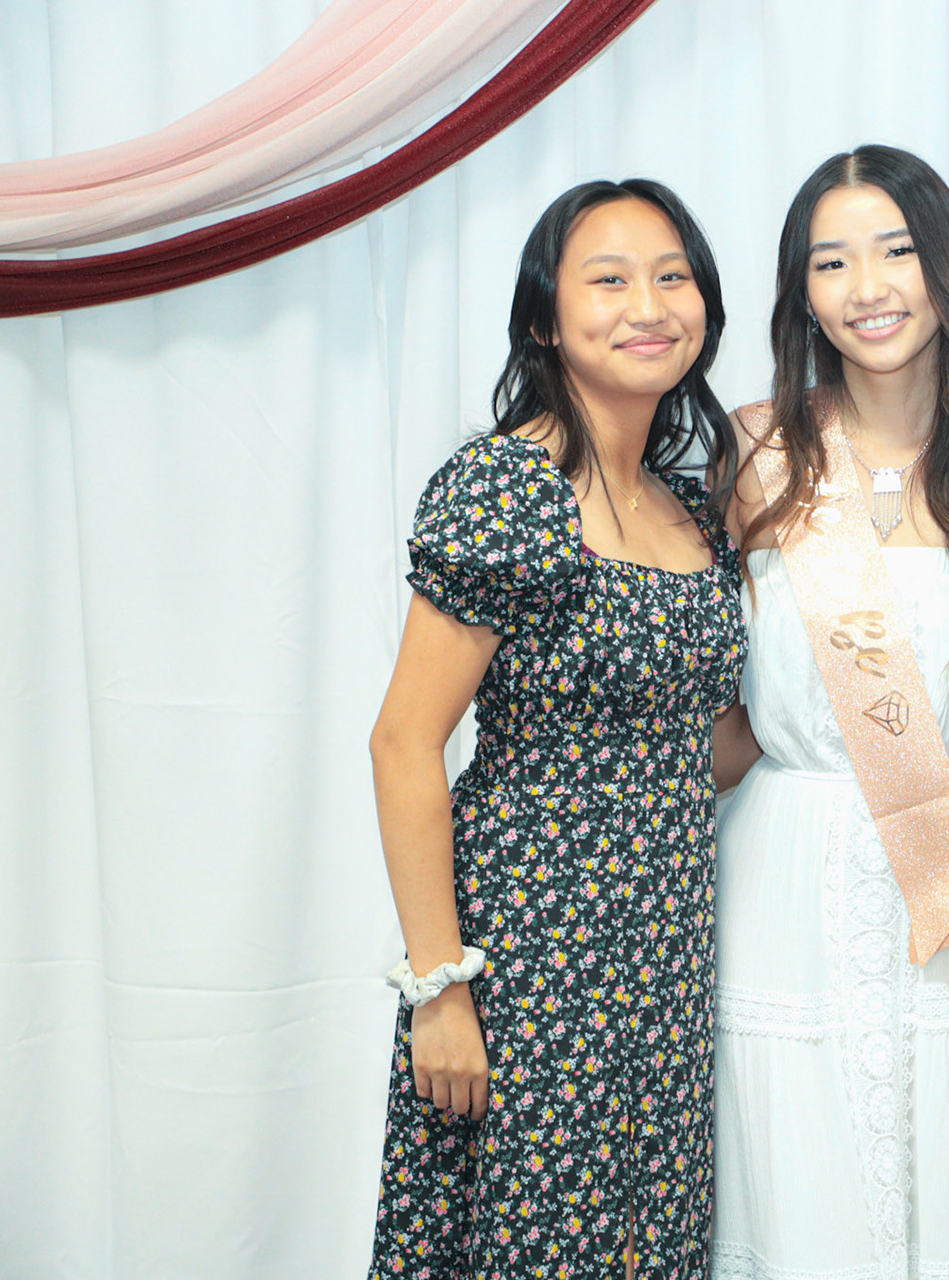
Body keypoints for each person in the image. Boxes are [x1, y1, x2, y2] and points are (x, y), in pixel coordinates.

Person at [365, 179, 747, 1280]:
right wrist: (441, 989)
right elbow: (403, 742)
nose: (650, 306)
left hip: (666, 950)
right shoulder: (508, 488)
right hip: (533, 951)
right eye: (609, 280)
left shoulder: (692, 505)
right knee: (540, 1241)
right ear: (544, 317)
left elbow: (708, 747)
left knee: (646, 1240)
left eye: (673, 277)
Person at [713, 144, 949, 1278]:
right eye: (831, 261)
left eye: (897, 250)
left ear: (945, 265)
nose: (868, 287)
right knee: (801, 1158)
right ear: (802, 293)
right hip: (792, 855)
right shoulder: (755, 449)